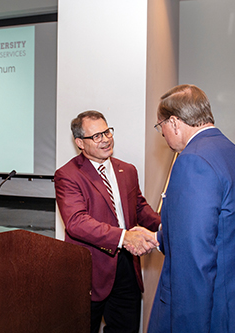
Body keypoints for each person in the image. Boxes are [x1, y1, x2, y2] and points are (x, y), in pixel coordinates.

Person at [146, 84, 235, 332]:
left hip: (215, 312)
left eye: (160, 125)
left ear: (174, 122)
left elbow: (195, 262)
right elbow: (224, 230)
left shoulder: (193, 162)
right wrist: (158, 237)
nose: (161, 134)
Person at [54, 110, 160, 333]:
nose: (106, 139)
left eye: (107, 132)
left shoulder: (127, 170)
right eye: (97, 136)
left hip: (127, 269)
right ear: (80, 143)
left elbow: (139, 208)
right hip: (90, 271)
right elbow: (76, 222)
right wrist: (124, 237)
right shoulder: (68, 175)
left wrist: (163, 227)